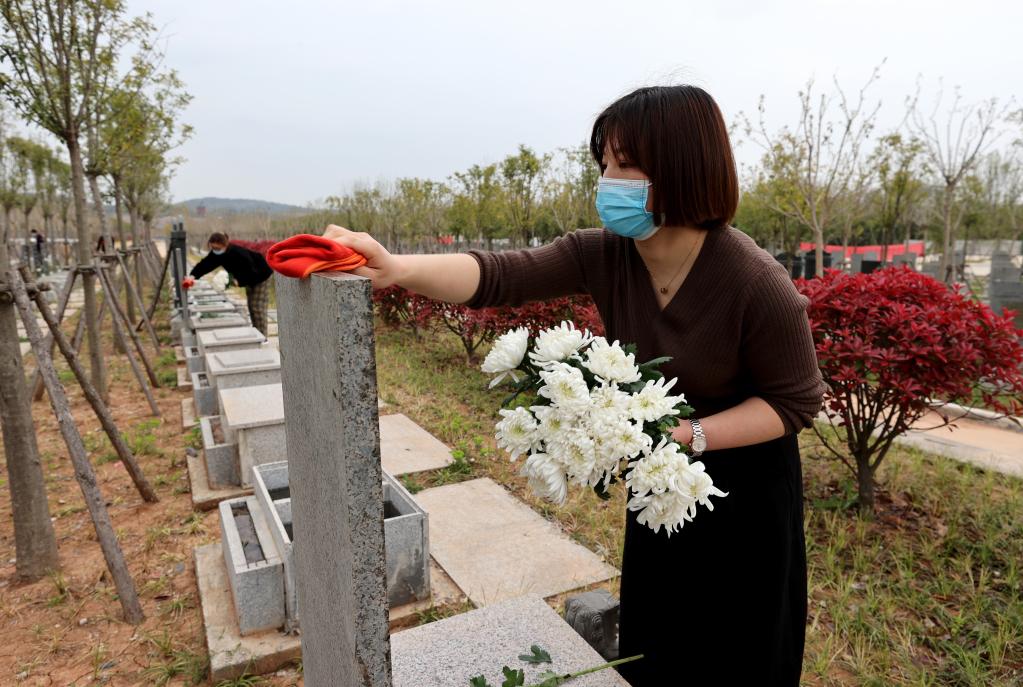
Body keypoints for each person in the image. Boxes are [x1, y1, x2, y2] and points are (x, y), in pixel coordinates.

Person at [322, 85, 825, 686]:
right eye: (605, 163)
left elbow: (795, 402)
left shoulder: (754, 281)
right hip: (657, 482)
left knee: (738, 653)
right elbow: (498, 274)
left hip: (741, 492)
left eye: (625, 164)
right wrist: (399, 268)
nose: (608, 179)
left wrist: (685, 436)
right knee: (657, 646)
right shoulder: (608, 253)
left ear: (682, 170)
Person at [185, 232, 273, 335]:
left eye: (218, 248)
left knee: (257, 307)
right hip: (249, 277)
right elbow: (205, 264)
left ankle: (263, 336)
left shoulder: (237, 252)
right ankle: (257, 332)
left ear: (225, 245)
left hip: (261, 274)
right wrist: (192, 276)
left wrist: (239, 281)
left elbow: (251, 269)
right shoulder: (217, 254)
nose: (215, 251)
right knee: (251, 306)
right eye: (213, 248)